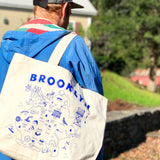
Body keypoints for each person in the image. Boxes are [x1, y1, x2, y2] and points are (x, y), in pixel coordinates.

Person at [0, 0, 104, 159]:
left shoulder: (6, 44)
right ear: (64, 9)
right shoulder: (74, 46)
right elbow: (93, 110)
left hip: (6, 149)